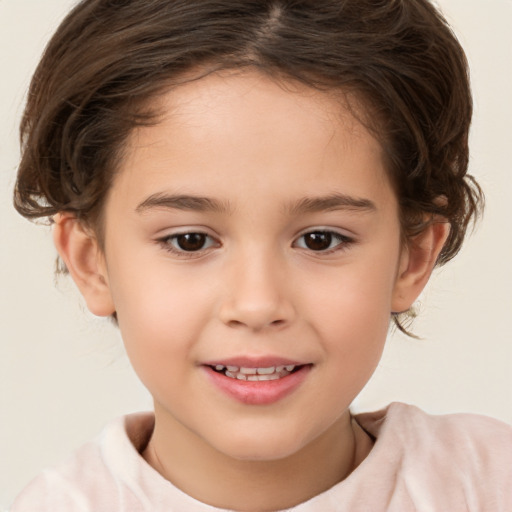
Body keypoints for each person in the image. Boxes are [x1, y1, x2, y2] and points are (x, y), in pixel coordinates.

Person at [9, 0, 512, 510]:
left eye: (320, 239)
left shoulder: (489, 483)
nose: (256, 304)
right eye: (190, 240)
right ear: (91, 261)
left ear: (414, 256)